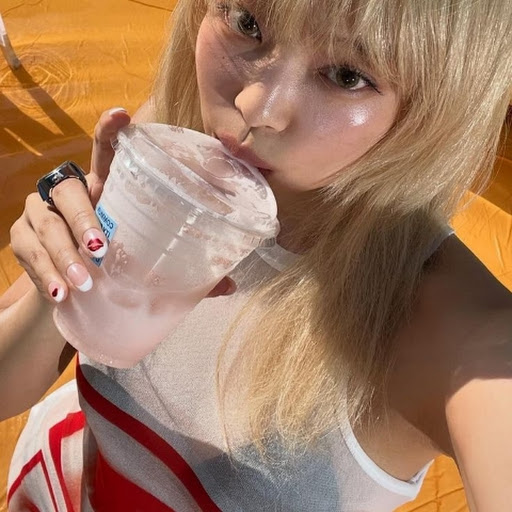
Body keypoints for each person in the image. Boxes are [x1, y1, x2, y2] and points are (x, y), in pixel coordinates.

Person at [1, 0, 512, 510]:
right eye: (248, 23)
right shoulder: (179, 143)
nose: (254, 106)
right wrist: (64, 270)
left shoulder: (459, 337)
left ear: (432, 109)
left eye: (347, 75)